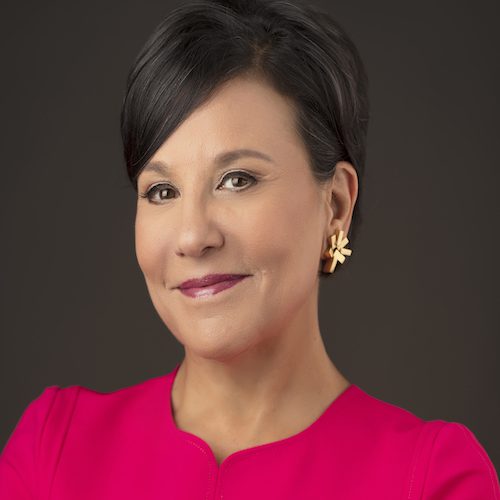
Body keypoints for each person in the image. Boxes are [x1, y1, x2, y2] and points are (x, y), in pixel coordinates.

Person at [1, 0, 498, 498]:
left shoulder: (431, 479)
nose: (192, 236)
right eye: (162, 191)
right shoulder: (54, 449)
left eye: (237, 180)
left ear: (336, 204)